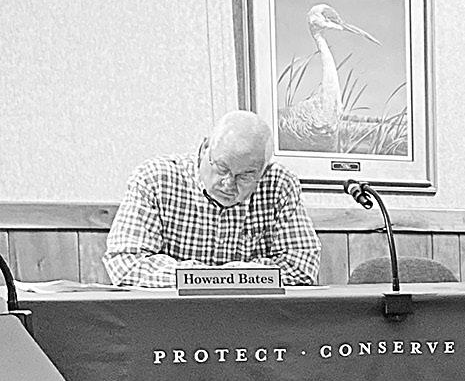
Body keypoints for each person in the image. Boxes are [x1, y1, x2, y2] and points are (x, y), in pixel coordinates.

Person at [105, 111, 322, 287]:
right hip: (170, 318)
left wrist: (223, 277)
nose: (228, 184)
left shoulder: (280, 185)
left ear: (263, 171)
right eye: (222, 168)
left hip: (252, 319)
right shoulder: (155, 179)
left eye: (245, 176)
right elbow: (126, 261)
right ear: (204, 149)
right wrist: (214, 278)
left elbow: (301, 266)